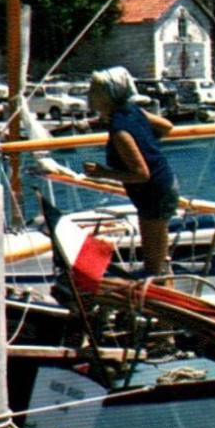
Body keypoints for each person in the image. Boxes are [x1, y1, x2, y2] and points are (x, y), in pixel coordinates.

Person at [83, 66, 178, 279]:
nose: (89, 95)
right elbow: (166, 126)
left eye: (94, 91)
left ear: (109, 96)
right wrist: (148, 143)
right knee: (158, 258)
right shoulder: (133, 111)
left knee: (154, 265)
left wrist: (103, 172)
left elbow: (141, 174)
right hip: (160, 186)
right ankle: (160, 289)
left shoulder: (120, 132)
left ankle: (162, 300)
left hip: (154, 193)